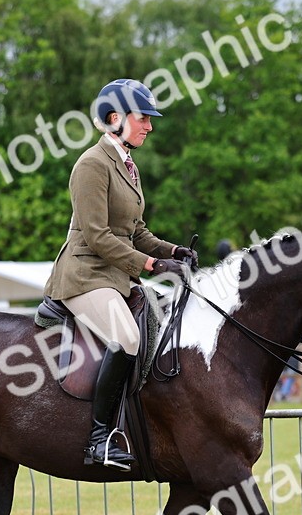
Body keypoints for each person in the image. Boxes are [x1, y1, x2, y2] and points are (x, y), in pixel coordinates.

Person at [44, 78, 197, 470]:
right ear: (115, 118)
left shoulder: (128, 165)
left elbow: (137, 231)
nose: (149, 126)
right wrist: (150, 265)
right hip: (84, 276)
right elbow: (97, 236)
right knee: (127, 337)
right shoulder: (91, 165)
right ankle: (99, 440)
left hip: (115, 277)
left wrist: (172, 251)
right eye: (143, 118)